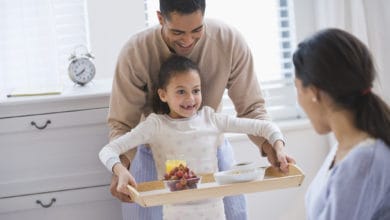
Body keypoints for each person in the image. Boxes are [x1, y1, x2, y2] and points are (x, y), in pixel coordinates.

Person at [108, 0, 295, 219]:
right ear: (160, 19)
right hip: (160, 153)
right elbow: (122, 123)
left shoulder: (228, 41)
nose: (187, 40)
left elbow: (252, 108)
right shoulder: (136, 51)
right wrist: (119, 168)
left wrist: (273, 146)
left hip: (211, 147)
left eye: (197, 30)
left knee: (233, 213)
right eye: (178, 32)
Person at [100, 55, 287, 220]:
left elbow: (265, 127)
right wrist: (120, 170)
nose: (190, 99)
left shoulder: (211, 119)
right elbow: (108, 151)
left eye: (196, 90)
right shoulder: (155, 125)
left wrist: (278, 145)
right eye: (181, 91)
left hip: (215, 214)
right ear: (163, 94)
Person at [293, 28, 390, 220]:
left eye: (297, 88)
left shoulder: (363, 161)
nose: (298, 99)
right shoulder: (345, 148)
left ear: (314, 93)